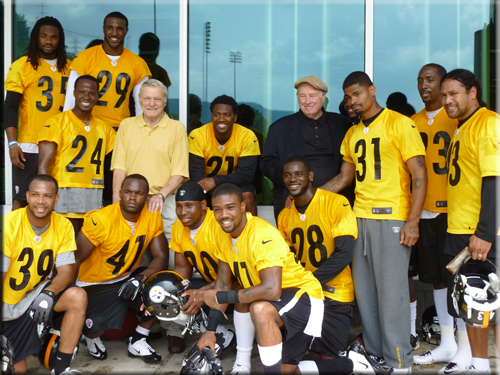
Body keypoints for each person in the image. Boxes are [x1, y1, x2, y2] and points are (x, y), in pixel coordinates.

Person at [322, 71, 427, 374]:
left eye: (356, 94)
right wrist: (311, 196)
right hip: (359, 218)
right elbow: (344, 178)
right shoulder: (353, 133)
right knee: (365, 293)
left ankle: (400, 362)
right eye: (346, 96)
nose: (351, 101)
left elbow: (419, 174)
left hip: (392, 217)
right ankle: (377, 355)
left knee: (391, 293)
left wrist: (413, 221)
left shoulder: (399, 122)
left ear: (371, 90)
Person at [183, 183, 325, 374]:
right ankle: (242, 365)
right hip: (278, 299)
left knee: (258, 308)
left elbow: (271, 290)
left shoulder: (261, 234)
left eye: (230, 208)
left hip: (303, 295)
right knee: (287, 370)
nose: (224, 215)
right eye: (217, 210)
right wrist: (210, 331)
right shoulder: (222, 233)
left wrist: (218, 297)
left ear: (243, 207)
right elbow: (223, 285)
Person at [277, 156, 383, 374]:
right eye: (288, 175)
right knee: (284, 368)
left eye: (298, 174)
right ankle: (353, 361)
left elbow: (344, 252)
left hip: (335, 296)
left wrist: (308, 282)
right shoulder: (285, 215)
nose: (293, 179)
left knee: (329, 364)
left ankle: (351, 363)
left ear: (310, 176)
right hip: (305, 298)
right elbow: (284, 259)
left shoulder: (336, 202)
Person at [411, 64, 472, 374]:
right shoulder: (412, 122)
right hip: (423, 210)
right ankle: (447, 342)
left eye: (430, 79)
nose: (424, 85)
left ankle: (466, 347)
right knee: (435, 276)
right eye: (420, 80)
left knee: (455, 279)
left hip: (452, 210)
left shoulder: (458, 120)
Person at [74, 174, 168, 363]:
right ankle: (91, 338)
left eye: (139, 193)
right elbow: (74, 261)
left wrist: (140, 278)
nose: (132, 198)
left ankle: (138, 339)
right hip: (94, 284)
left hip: (126, 277)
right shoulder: (101, 219)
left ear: (147, 197)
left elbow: (161, 257)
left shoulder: (152, 217)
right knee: (96, 326)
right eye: (128, 192)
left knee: (163, 288)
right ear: (119, 193)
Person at [440, 69, 499, 374]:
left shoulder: (488, 122)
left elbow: (495, 179)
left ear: (472, 92)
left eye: (453, 94)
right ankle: (479, 365)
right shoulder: (460, 127)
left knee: (493, 306)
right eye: (444, 95)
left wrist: (486, 232)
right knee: (471, 305)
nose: (447, 100)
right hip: (459, 228)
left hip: (481, 232)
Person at [2, 174, 87, 375]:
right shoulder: (9, 224)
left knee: (77, 296)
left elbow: (67, 271)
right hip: (8, 304)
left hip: (35, 293)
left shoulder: (63, 225)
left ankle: (62, 369)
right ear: (27, 196)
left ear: (56, 199)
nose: (41, 201)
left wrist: (49, 293)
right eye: (35, 195)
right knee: (17, 371)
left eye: (47, 196)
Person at [170, 181, 253, 374]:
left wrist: (201, 294)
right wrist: (162, 293)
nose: (183, 212)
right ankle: (221, 334)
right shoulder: (177, 227)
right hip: (211, 282)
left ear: (203, 205)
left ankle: (238, 355)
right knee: (173, 295)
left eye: (189, 206)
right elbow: (182, 268)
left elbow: (231, 277)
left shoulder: (219, 224)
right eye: (179, 206)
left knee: (238, 290)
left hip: (234, 283)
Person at [260, 75, 353, 220]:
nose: (307, 101)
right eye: (302, 96)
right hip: (294, 203)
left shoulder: (343, 125)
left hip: (337, 201)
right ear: (297, 97)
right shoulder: (279, 128)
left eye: (312, 96)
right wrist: (294, 179)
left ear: (323, 96)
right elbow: (266, 164)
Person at [4, 17, 71, 210]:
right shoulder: (22, 65)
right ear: (36, 38)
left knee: (56, 201)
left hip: (62, 143)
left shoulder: (71, 67)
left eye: (53, 37)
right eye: (44, 36)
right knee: (23, 198)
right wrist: (12, 143)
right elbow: (10, 106)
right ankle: (12, 241)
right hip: (30, 143)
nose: (48, 41)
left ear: (60, 40)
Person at [111, 79, 189, 242]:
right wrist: (116, 203)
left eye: (157, 99)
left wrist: (160, 196)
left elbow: (179, 173)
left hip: (164, 201)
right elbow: (119, 168)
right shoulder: (126, 125)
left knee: (169, 255)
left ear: (165, 101)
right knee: (132, 253)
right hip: (132, 201)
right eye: (147, 98)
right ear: (139, 100)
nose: (151, 104)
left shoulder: (177, 128)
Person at [37, 75, 116, 236]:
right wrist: (44, 200)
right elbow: (43, 167)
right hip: (64, 194)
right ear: (74, 93)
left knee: (86, 251)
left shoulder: (105, 129)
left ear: (97, 96)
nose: (86, 97)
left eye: (91, 93)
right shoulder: (56, 123)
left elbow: (111, 169)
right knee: (63, 248)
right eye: (82, 92)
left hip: (93, 196)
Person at [63, 12, 151, 127]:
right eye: (110, 28)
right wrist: (67, 128)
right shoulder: (84, 58)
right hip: (89, 127)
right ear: (103, 29)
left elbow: (142, 107)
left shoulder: (138, 64)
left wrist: (142, 131)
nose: (114, 33)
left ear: (126, 31)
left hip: (121, 129)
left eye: (119, 29)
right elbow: (71, 99)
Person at [188, 95, 260, 216]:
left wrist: (216, 181)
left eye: (227, 114)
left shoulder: (247, 136)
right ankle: (199, 235)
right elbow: (194, 172)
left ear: (235, 117)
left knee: (247, 197)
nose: (221, 119)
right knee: (193, 198)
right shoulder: (198, 135)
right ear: (212, 116)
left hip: (235, 184)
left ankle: (250, 234)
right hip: (206, 184)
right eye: (217, 114)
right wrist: (213, 187)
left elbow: (246, 174)